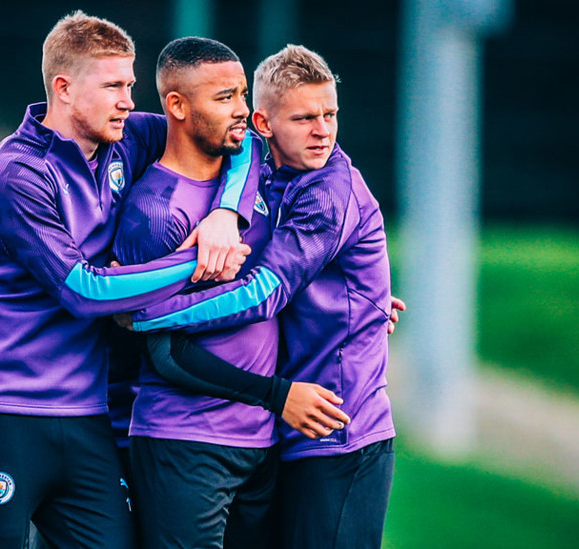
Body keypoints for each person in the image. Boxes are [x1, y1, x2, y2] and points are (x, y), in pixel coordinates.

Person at [0, 11, 255, 548]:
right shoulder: (15, 173)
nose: (129, 100)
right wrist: (198, 260)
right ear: (63, 89)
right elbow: (85, 292)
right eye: (113, 86)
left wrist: (226, 215)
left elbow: (234, 137)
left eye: (130, 85)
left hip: (85, 417)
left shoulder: (126, 140)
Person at [126, 45, 398, 548]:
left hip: (338, 430)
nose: (324, 130)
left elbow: (265, 294)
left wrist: (146, 313)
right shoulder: (257, 164)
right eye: (305, 118)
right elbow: (231, 146)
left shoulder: (328, 191)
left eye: (331, 114)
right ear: (264, 124)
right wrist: (228, 211)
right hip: (281, 433)